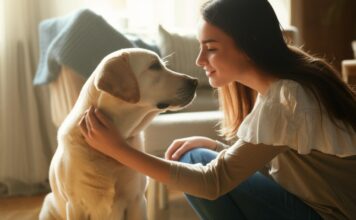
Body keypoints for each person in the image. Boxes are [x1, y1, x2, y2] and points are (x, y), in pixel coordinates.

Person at [79, 0, 356, 219]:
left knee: (193, 161)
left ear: (248, 45)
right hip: (318, 209)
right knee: (197, 154)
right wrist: (219, 147)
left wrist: (118, 150)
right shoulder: (287, 84)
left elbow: (213, 182)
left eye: (210, 48)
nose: (200, 60)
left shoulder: (286, 98)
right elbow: (277, 165)